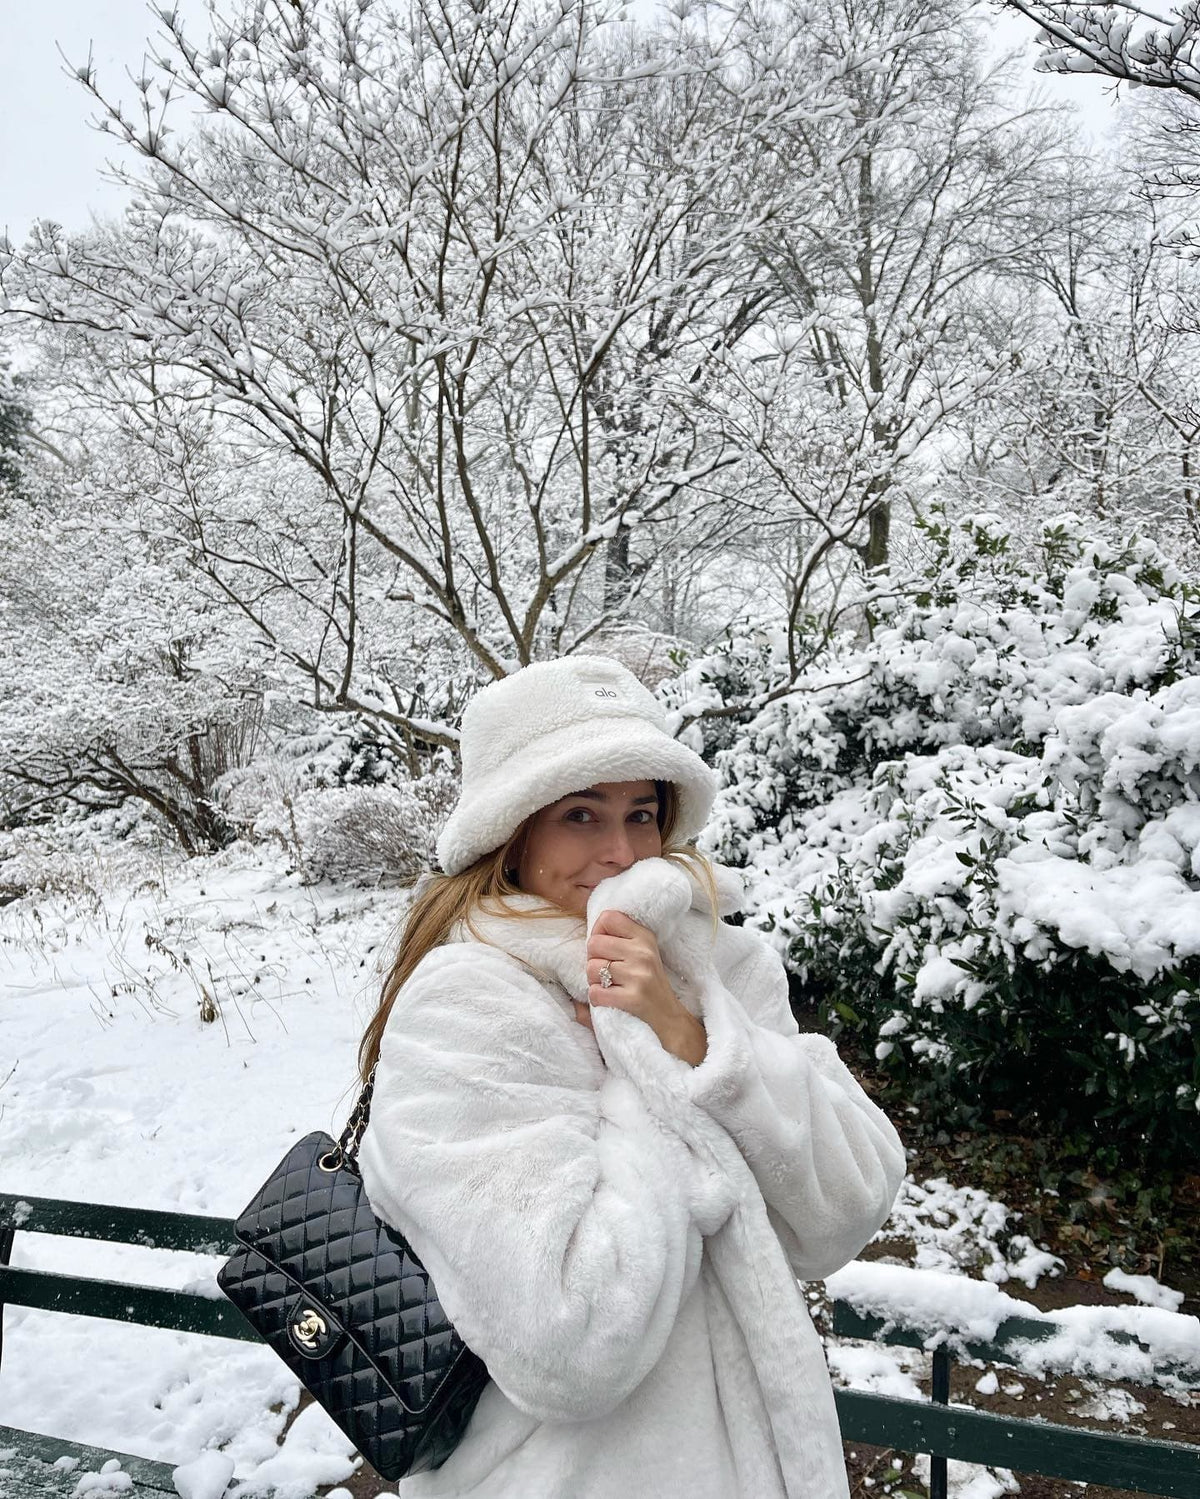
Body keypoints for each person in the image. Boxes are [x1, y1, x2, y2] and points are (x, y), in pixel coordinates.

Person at [356, 655, 906, 1499]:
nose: (619, 852)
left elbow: (847, 1205)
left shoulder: (715, 967)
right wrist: (642, 1081)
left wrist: (688, 1035)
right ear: (515, 831)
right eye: (581, 813)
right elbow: (568, 1341)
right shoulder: (468, 1003)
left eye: (641, 813)